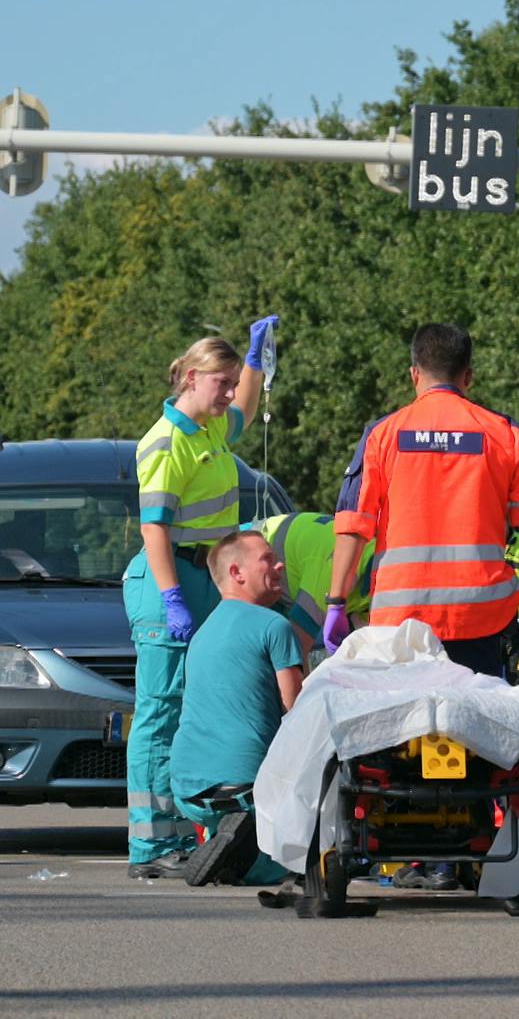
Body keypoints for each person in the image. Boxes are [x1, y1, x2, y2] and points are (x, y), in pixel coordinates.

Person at [123, 316, 276, 880]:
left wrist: (257, 360)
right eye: (223, 383)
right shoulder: (165, 443)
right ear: (192, 377)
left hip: (199, 578)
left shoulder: (207, 428)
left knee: (190, 711)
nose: (232, 394)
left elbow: (244, 411)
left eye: (235, 382)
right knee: (159, 713)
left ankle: (188, 834)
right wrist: (172, 600)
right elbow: (154, 529)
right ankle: (149, 847)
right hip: (171, 578)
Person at [326, 322, 519, 682]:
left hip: (401, 621)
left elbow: (354, 527)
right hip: (480, 617)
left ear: (414, 374)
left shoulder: (382, 435)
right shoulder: (504, 433)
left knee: (403, 729)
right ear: (469, 376)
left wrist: (336, 602)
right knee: (474, 728)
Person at [168, 531, 303, 887]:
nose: (279, 565)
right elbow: (297, 710)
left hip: (186, 785)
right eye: (267, 559)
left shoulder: (201, 634)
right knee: (298, 859)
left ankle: (223, 843)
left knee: (231, 828)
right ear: (237, 572)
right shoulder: (274, 625)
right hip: (246, 786)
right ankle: (250, 857)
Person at [252, 513, 375, 666]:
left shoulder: (376, 563)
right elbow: (296, 651)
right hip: (258, 546)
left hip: (290, 563)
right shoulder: (332, 575)